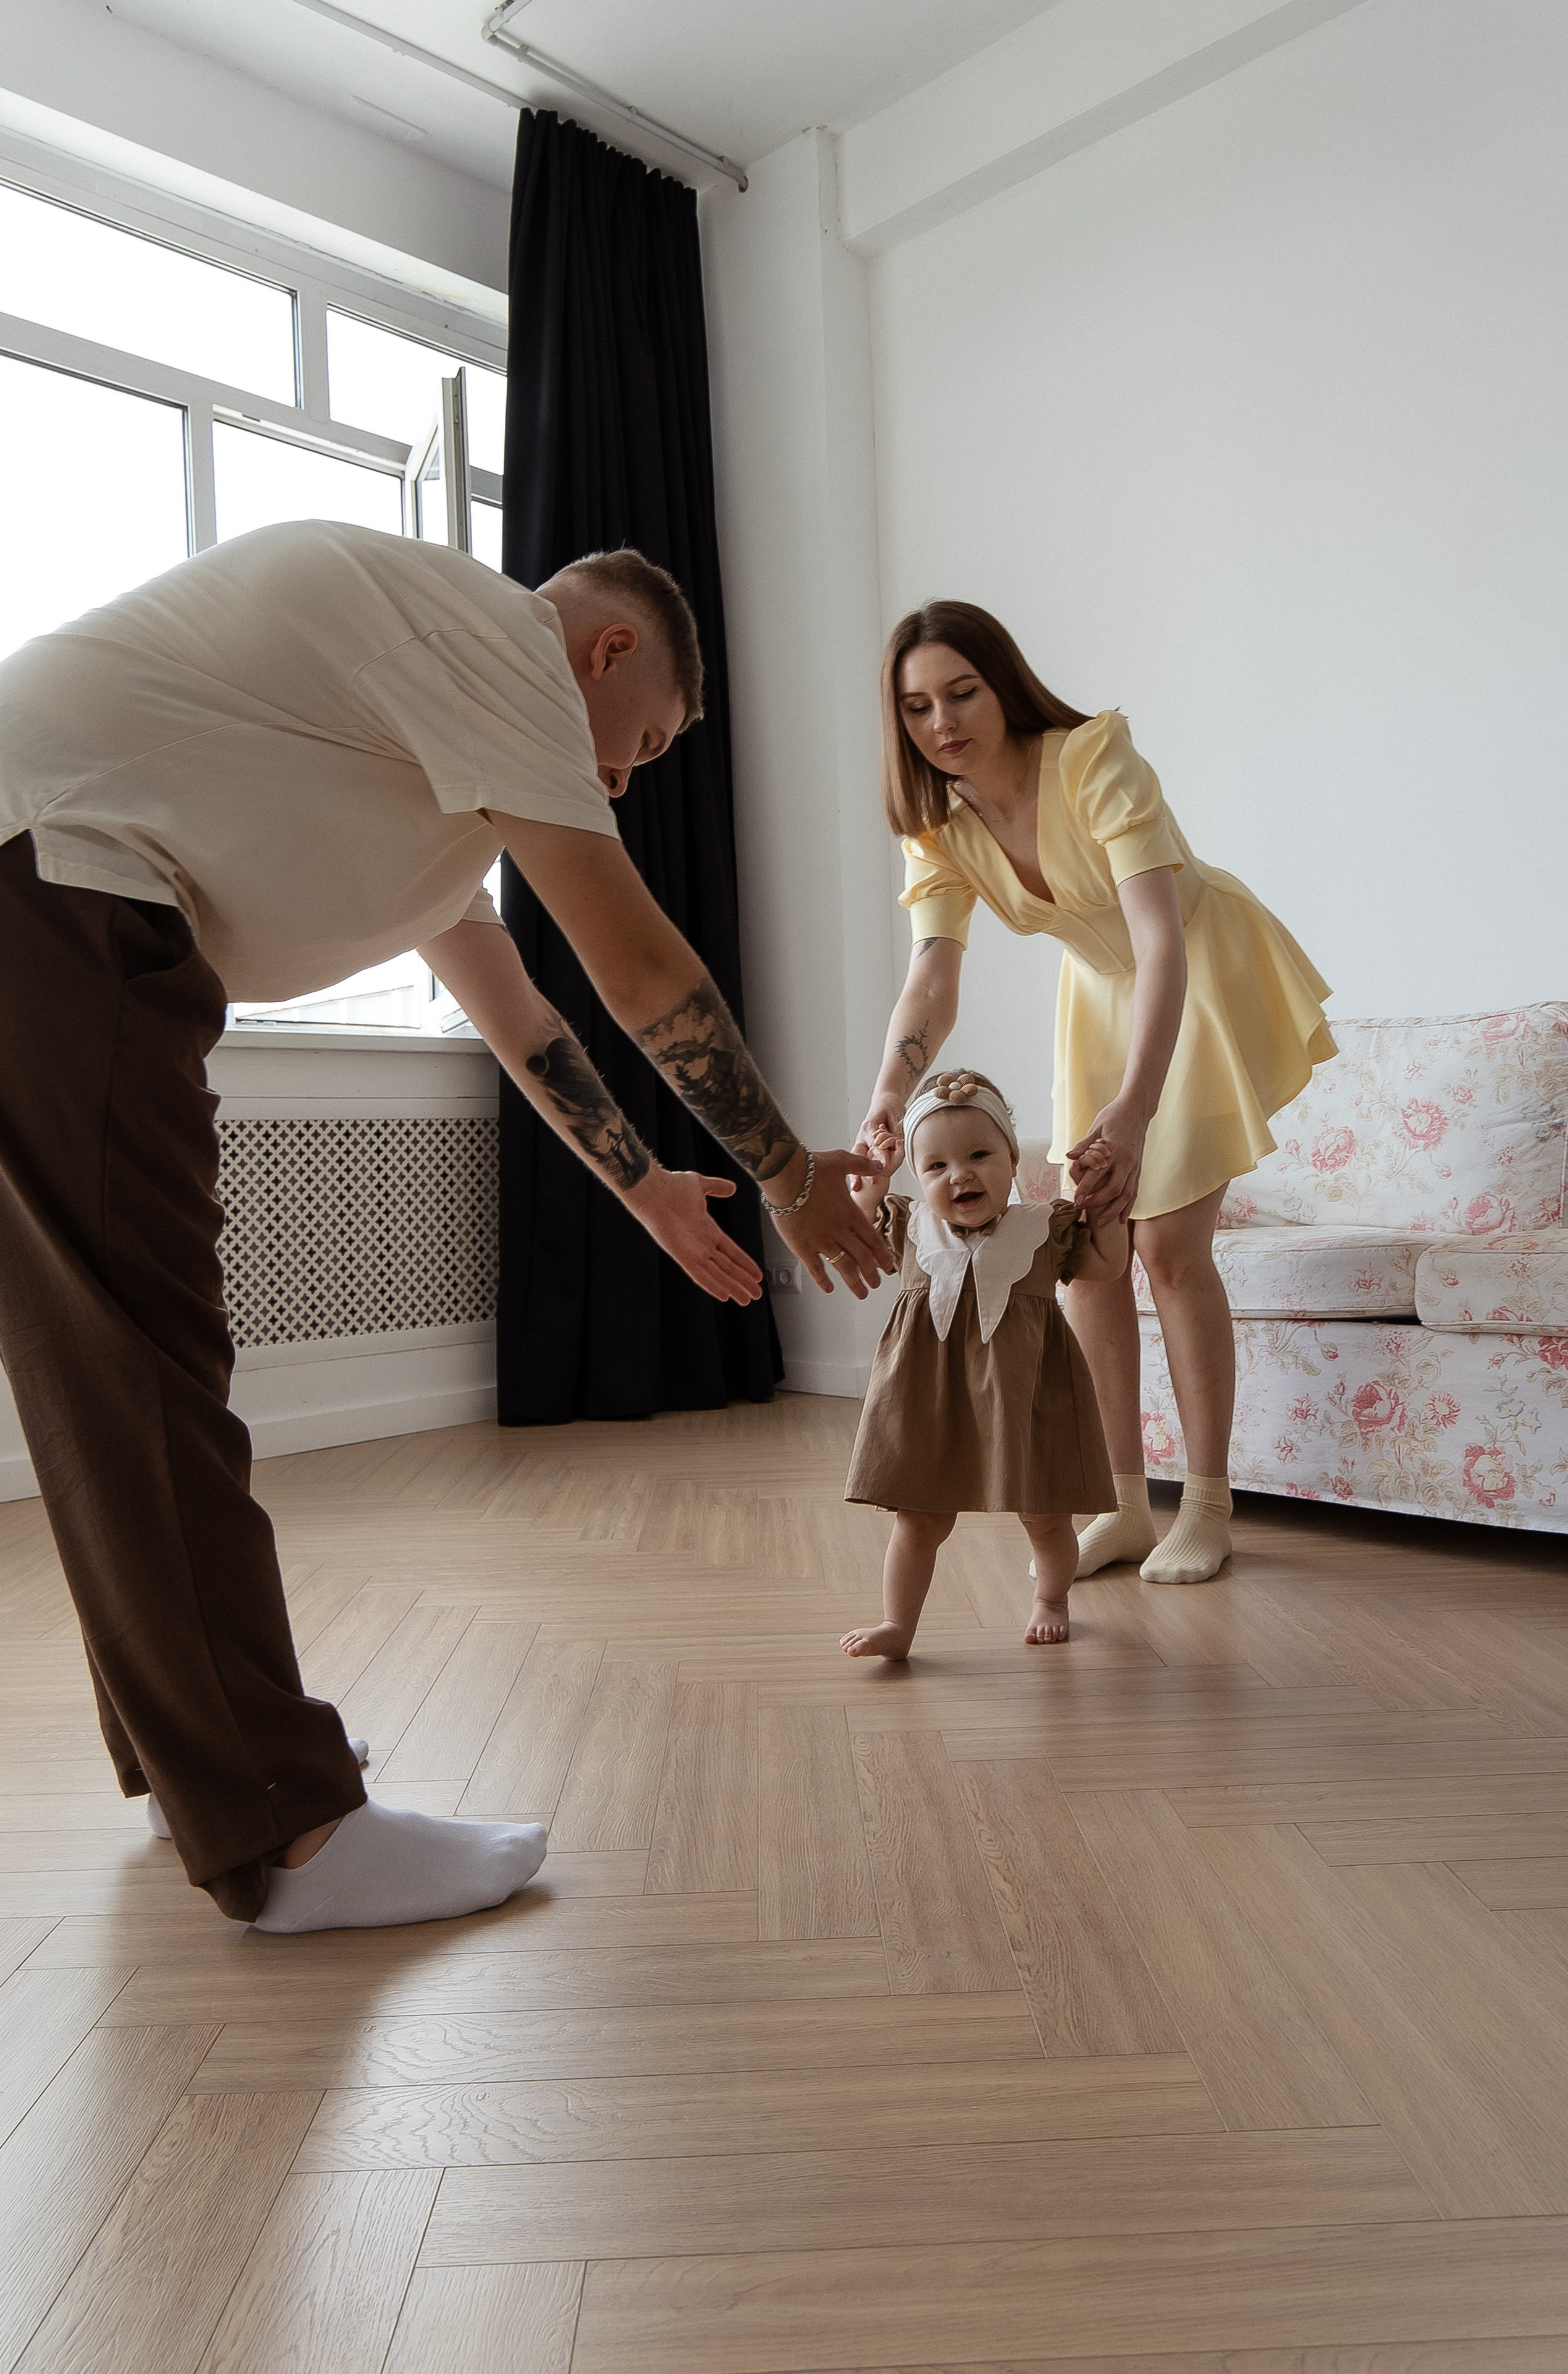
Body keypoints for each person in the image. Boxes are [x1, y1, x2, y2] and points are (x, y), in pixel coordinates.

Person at [0, 521, 892, 1933]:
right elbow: (633, 957)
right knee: (147, 1361)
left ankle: (203, 1769)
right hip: (57, 894)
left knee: (103, 1371)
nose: (614, 777)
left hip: (41, 888)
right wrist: (788, 1172)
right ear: (605, 652)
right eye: (640, 740)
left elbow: (523, 1016)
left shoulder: (417, 761)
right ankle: (289, 1832)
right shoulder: (479, 632)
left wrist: (646, 1186)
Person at [858, 602, 1334, 1589]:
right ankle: (1122, 1506)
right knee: (1089, 1259)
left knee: (1165, 1244)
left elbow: (1160, 940)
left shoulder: (1091, 759)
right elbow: (933, 979)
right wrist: (885, 1103)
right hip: (1099, 996)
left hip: (1194, 974)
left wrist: (1136, 1105)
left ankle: (1206, 1507)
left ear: (1002, 685)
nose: (942, 722)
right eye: (917, 707)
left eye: (962, 692)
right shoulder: (940, 826)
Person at [841, 1069, 1128, 1659]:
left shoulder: (1045, 1227)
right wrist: (874, 1174)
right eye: (936, 1167)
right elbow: (849, 1229)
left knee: (1046, 1517)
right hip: (927, 1396)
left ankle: (1051, 1598)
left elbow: (1105, 1268)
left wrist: (1103, 1206)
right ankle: (899, 1625)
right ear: (916, 1179)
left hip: (1029, 1394)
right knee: (919, 1521)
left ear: (1013, 1159)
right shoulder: (908, 1226)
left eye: (979, 1155)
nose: (960, 1174)